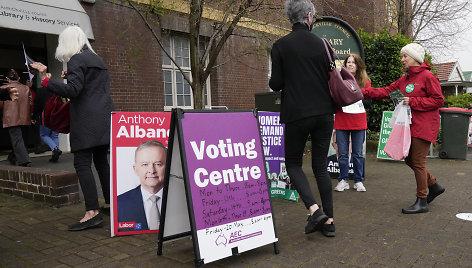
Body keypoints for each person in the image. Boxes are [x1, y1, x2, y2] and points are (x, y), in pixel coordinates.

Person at [30, 26, 114, 230]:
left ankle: (92, 212)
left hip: (86, 120)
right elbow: (90, 87)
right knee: (102, 162)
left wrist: (46, 80)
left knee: (82, 163)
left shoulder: (76, 59)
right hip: (105, 117)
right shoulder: (97, 59)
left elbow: (74, 91)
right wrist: (71, 76)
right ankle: (111, 204)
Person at [269, 0, 336, 237]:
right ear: (308, 16)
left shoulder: (280, 45)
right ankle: (329, 224)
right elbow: (331, 76)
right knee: (320, 167)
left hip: (297, 113)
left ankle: (315, 210)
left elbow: (275, 83)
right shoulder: (324, 44)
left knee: (294, 164)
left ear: (290, 18)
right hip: (325, 113)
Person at [362, 43, 445, 214]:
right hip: (410, 126)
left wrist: (412, 101)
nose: (402, 59)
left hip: (424, 126)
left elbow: (438, 100)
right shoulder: (405, 79)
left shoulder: (428, 76)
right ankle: (434, 186)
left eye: (405, 56)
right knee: (408, 159)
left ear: (415, 57)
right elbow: (386, 91)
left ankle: (422, 200)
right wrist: (363, 92)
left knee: (417, 162)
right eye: (401, 56)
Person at [334, 54, 370, 192]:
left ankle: (358, 180)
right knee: (342, 153)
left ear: (358, 66)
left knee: (358, 153)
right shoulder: (339, 81)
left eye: (353, 63)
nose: (350, 65)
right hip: (342, 120)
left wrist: (356, 97)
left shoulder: (365, 82)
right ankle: (343, 180)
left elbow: (369, 102)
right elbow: (334, 100)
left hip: (358, 121)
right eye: (348, 62)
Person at [117, 141, 167, 231]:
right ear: (135, 169)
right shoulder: (119, 204)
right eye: (145, 164)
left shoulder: (184, 200)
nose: (152, 170)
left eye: (158, 164)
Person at [1, 69, 33, 167]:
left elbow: (1, 105)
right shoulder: (26, 88)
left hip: (11, 118)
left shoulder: (3, 88)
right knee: (20, 139)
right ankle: (12, 156)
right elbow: (31, 103)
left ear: (7, 78)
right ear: (18, 78)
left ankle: (24, 160)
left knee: (17, 139)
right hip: (25, 116)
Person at [31, 74, 62, 162]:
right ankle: (55, 155)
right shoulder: (56, 91)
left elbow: (36, 106)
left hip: (45, 117)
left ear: (42, 82)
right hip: (56, 116)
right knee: (55, 136)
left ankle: (55, 150)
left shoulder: (40, 91)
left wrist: (34, 117)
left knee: (44, 135)